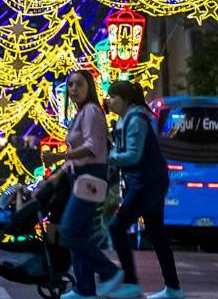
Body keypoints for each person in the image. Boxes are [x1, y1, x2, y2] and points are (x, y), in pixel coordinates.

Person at [42, 69, 125, 299]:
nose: (74, 89)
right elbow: (78, 152)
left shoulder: (91, 111)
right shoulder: (81, 113)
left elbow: (92, 148)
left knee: (69, 232)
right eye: (70, 85)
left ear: (89, 86)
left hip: (91, 177)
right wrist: (58, 174)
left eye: (79, 84)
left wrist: (59, 157)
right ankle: (84, 288)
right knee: (79, 232)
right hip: (80, 177)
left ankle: (109, 272)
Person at [106, 80, 181, 299]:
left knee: (117, 227)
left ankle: (131, 282)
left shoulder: (136, 119)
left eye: (113, 97)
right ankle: (173, 288)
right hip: (147, 182)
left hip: (146, 183)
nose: (109, 101)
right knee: (157, 234)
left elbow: (133, 155)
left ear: (126, 100)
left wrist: (109, 157)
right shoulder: (124, 120)